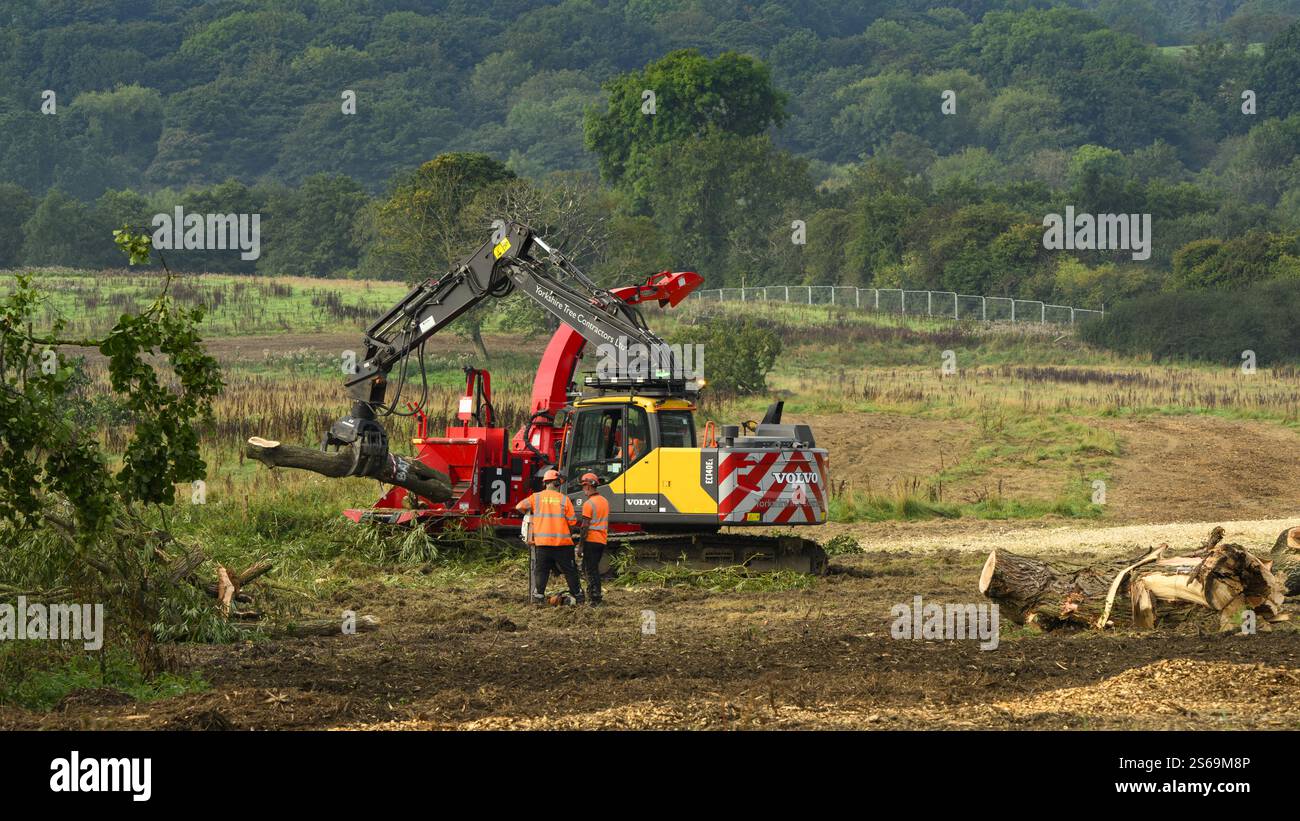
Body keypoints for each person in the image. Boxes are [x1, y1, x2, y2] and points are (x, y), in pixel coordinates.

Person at [515, 468, 581, 605]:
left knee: (542, 571)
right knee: (570, 571)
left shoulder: (535, 498)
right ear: (557, 483)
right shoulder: (564, 499)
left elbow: (519, 506)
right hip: (562, 544)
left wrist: (531, 514)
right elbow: (573, 521)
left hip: (543, 544)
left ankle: (539, 597)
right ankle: (578, 596)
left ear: (545, 483)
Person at [575, 472, 610, 605]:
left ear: (588, 486)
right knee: (592, 568)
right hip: (601, 540)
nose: (583, 489)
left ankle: (595, 596)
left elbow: (584, 527)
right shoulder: (604, 501)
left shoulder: (589, 504)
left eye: (583, 486)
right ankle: (594, 594)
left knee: (589, 569)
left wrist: (580, 546)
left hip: (591, 540)